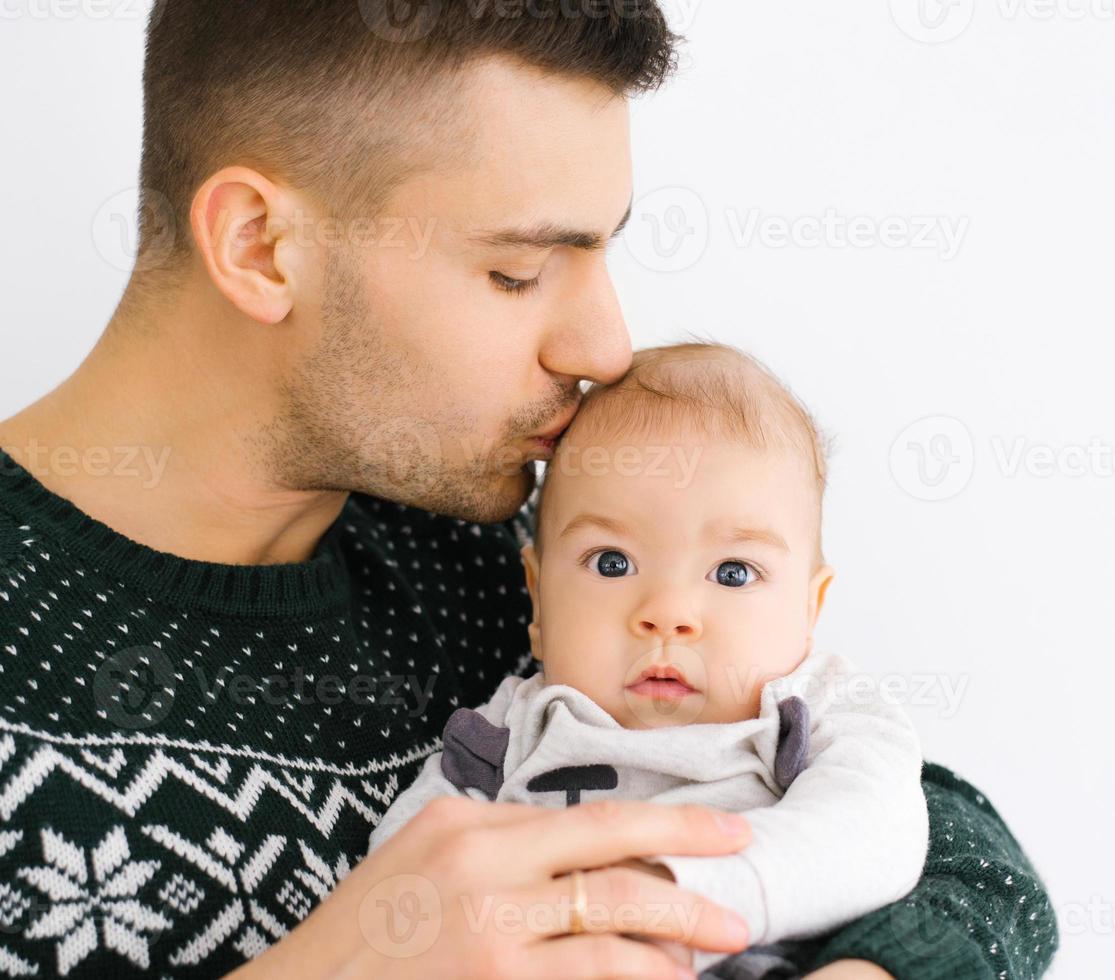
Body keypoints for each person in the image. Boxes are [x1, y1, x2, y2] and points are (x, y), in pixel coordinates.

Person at [0, 2, 1058, 977]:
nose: (606, 345)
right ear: (261, 246)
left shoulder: (502, 553)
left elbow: (963, 852)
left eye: (603, 252)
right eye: (518, 270)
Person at [369, 343, 930, 978]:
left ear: (809, 609)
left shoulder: (817, 707)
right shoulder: (507, 729)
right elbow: (410, 866)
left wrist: (682, 891)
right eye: (612, 563)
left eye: (733, 572)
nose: (667, 614)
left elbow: (875, 828)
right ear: (538, 596)